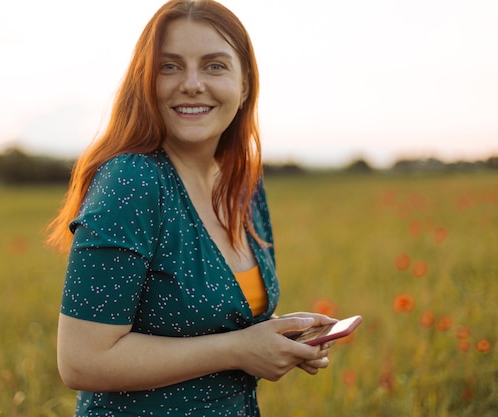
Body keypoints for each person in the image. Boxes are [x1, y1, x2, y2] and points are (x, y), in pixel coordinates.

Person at [46, 1, 337, 415]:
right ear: (145, 82)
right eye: (170, 67)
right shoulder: (132, 180)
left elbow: (220, 323)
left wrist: (277, 337)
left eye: (215, 65)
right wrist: (237, 349)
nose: (192, 83)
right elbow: (81, 360)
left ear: (245, 84)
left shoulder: (244, 184)